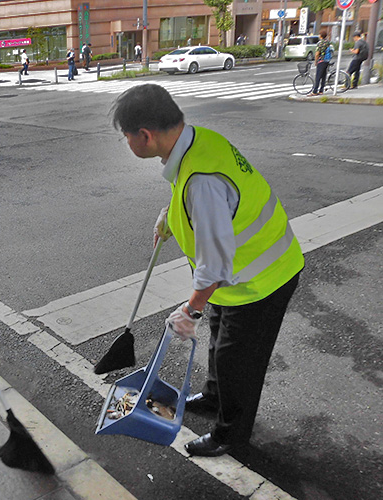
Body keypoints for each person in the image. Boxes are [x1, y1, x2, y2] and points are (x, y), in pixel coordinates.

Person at [111, 84, 304, 457]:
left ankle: (231, 435)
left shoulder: (202, 181)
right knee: (220, 342)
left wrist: (190, 311)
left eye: (126, 136)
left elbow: (215, 265)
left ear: (145, 136)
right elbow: (206, 207)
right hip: (243, 279)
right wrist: (171, 216)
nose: (128, 143)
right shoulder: (198, 142)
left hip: (263, 281)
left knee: (238, 362)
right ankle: (216, 398)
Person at [311, 30, 332, 96]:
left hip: (321, 61)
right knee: (323, 76)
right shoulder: (327, 42)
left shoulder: (320, 43)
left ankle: (315, 91)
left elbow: (317, 53)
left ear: (320, 36)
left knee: (318, 77)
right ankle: (321, 90)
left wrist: (316, 61)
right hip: (327, 60)